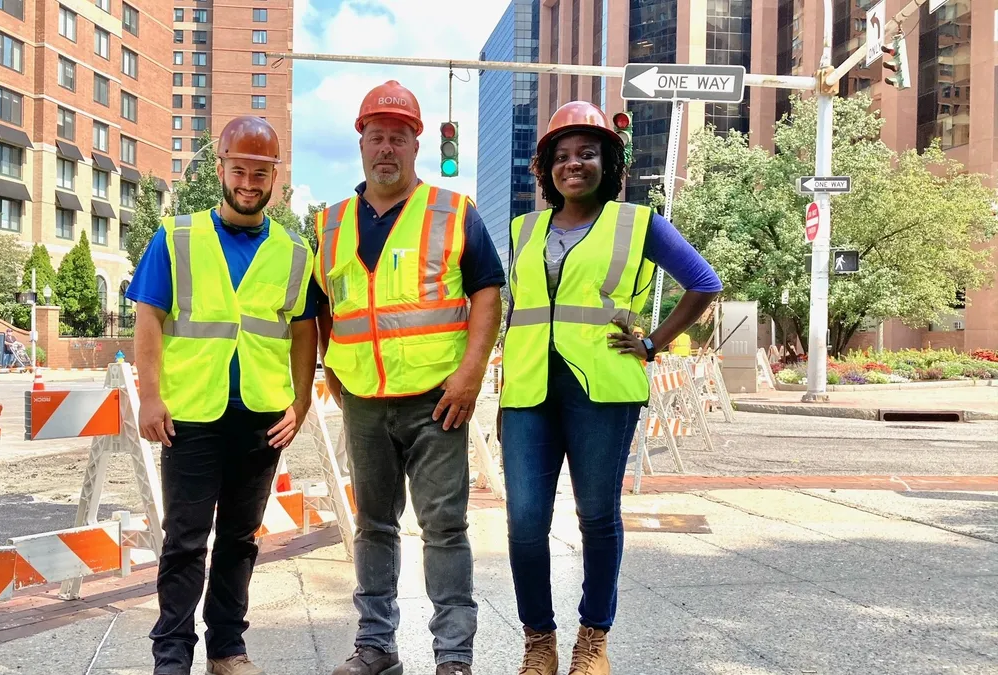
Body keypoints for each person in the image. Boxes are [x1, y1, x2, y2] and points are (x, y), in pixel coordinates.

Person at [500, 101, 722, 675]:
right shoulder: (525, 229)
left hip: (601, 389)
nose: (574, 164)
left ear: (608, 162)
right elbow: (518, 311)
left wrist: (653, 344)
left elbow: (703, 283)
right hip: (527, 391)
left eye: (588, 153)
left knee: (597, 516)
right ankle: (538, 642)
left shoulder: (638, 223)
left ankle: (593, 639)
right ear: (547, 165)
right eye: (563, 154)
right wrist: (502, 395)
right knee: (525, 521)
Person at [313, 81, 505, 675]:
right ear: (362, 143)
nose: (386, 148)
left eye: (399, 136)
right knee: (373, 526)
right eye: (377, 136)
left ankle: (453, 656)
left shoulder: (453, 212)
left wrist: (471, 374)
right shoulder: (330, 222)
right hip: (365, 403)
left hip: (436, 400)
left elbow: (487, 293)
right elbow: (322, 305)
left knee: (444, 527)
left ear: (417, 143)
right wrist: (335, 367)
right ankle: (376, 645)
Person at [129, 116, 319, 675]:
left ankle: (228, 650)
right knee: (184, 540)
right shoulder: (176, 235)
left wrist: (300, 402)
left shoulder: (293, 250)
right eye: (240, 169)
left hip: (261, 415)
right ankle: (171, 657)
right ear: (221, 169)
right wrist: (149, 397)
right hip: (190, 415)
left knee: (240, 539)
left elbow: (305, 331)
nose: (250, 181)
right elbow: (148, 319)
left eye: (261, 172)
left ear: (274, 177)